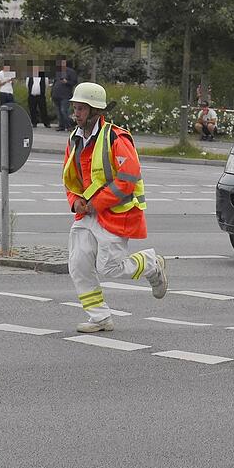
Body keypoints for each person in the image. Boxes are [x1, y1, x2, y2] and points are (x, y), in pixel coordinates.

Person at [63, 82, 167, 333]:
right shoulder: (74, 139)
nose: (75, 114)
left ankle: (152, 263)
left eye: (80, 109)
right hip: (87, 213)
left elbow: (128, 179)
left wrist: (96, 203)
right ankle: (99, 317)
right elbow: (70, 178)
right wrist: (74, 201)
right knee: (78, 263)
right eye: (74, 108)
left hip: (116, 214)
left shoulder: (116, 138)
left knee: (109, 267)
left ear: (96, 111)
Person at [51, 59, 78, 131]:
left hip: (65, 95)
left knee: (64, 111)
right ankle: (61, 126)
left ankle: (69, 126)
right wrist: (52, 94)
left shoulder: (71, 72)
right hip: (56, 95)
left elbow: (74, 82)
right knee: (59, 112)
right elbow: (55, 83)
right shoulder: (58, 72)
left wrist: (67, 82)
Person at [25, 64, 50, 128]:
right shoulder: (29, 77)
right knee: (32, 109)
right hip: (32, 96)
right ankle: (34, 122)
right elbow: (27, 85)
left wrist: (42, 92)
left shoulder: (44, 77)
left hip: (41, 96)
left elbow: (46, 85)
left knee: (43, 109)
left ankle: (46, 123)